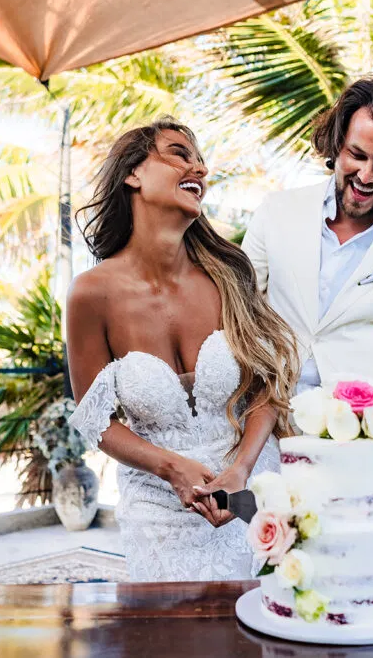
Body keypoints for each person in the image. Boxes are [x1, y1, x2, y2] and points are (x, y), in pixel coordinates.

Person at [67, 118, 300, 582]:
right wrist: (170, 467)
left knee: (251, 631)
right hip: (156, 503)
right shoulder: (90, 295)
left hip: (247, 488)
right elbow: (95, 420)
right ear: (133, 174)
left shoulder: (229, 276)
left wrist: (240, 471)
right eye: (179, 153)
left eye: (200, 158)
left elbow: (267, 391)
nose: (199, 167)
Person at [242, 68, 373, 487]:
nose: (367, 176)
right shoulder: (275, 212)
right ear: (338, 143)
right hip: (261, 435)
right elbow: (240, 315)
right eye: (358, 155)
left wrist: (356, 423)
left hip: (359, 453)